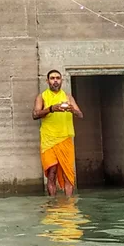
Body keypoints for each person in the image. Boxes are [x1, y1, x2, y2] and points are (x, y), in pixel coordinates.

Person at [32, 69, 83, 197]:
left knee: (67, 173)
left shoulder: (68, 97)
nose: (55, 80)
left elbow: (80, 114)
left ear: (61, 80)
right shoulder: (42, 96)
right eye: (52, 78)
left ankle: (69, 204)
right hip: (48, 140)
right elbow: (35, 114)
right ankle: (52, 203)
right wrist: (51, 109)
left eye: (58, 78)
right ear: (47, 81)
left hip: (65, 139)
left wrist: (73, 110)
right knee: (52, 173)